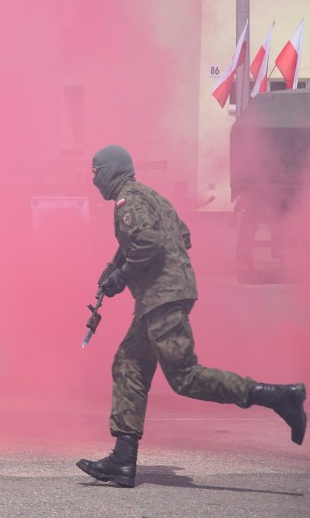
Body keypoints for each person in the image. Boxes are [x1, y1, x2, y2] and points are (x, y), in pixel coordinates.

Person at [77, 144, 306, 488]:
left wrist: (121, 275)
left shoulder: (128, 202)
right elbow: (182, 234)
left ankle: (276, 396)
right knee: (129, 364)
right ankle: (123, 460)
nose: (93, 179)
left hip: (162, 297)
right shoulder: (153, 197)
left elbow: (149, 243)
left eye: (96, 171)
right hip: (165, 295)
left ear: (111, 171)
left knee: (185, 377)